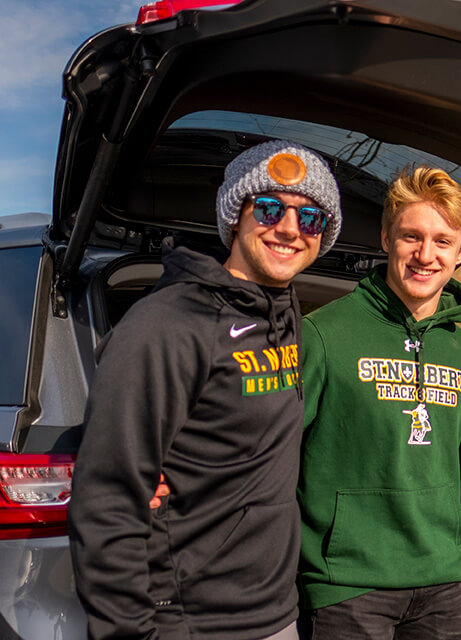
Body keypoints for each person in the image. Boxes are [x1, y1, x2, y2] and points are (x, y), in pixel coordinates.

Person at [69, 140, 341, 640]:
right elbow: (109, 494)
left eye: (310, 219)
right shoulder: (168, 322)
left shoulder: (283, 313)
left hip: (276, 612)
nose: (288, 228)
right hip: (191, 619)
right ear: (235, 216)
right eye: (269, 208)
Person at [297, 166, 461, 639]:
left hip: (443, 583)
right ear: (385, 238)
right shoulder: (322, 334)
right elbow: (268, 452)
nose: (425, 255)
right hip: (347, 584)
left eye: (443, 241)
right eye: (411, 237)